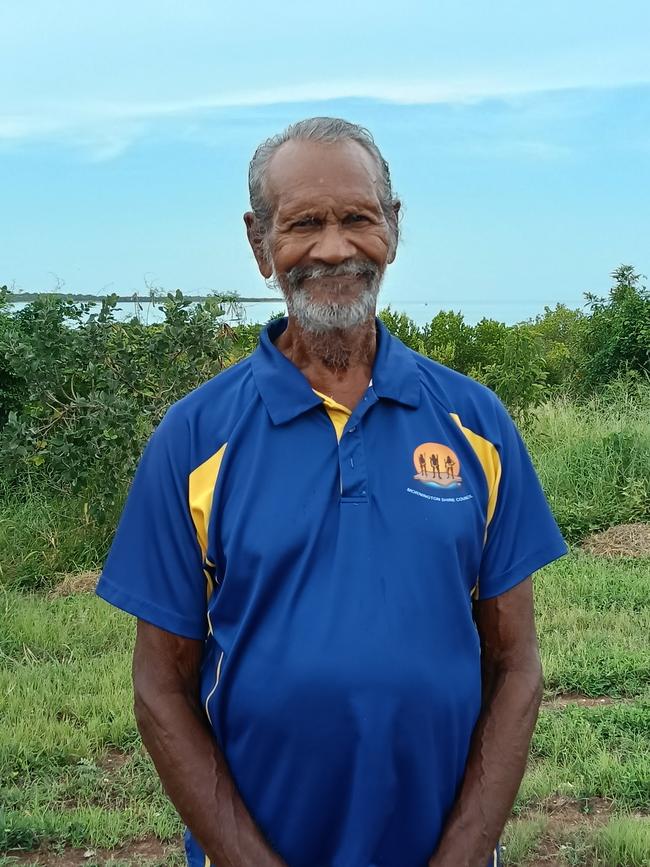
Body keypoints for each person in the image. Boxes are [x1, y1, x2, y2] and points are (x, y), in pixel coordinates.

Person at [96, 117, 567, 867]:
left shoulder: (475, 424)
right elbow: (160, 685)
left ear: (393, 227)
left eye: (357, 218)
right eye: (303, 223)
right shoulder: (194, 439)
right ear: (259, 243)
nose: (334, 247)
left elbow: (515, 664)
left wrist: (466, 853)